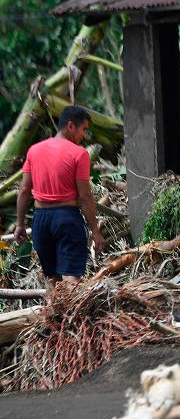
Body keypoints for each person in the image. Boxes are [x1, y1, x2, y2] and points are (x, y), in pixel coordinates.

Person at [14, 106, 105, 289]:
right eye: (84, 129)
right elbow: (85, 195)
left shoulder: (34, 151)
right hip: (66, 219)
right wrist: (95, 231)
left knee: (52, 281)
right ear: (70, 126)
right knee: (72, 280)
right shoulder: (79, 154)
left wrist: (20, 224)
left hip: (40, 221)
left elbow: (24, 190)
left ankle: (52, 317)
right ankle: (74, 318)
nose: (85, 135)